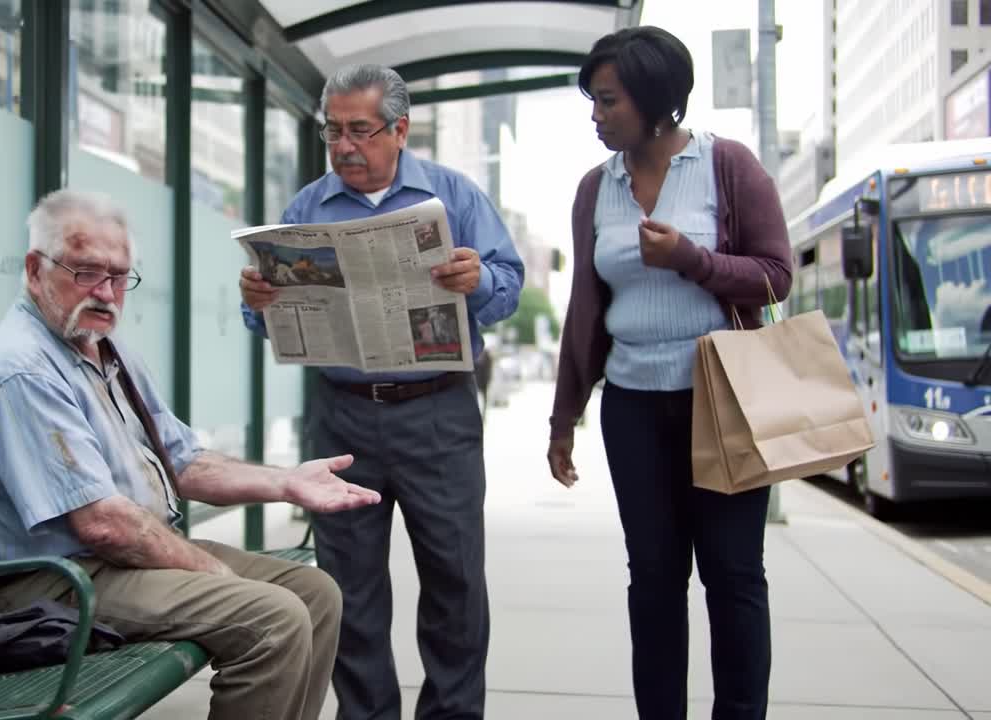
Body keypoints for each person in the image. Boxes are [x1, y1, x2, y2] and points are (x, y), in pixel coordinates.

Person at [0, 189, 383, 720]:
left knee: (316, 593)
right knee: (273, 618)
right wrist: (212, 573)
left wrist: (286, 482)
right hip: (53, 585)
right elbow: (102, 524)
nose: (106, 293)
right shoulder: (21, 368)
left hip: (112, 565)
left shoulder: (102, 348)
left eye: (118, 277)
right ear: (35, 268)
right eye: (86, 273)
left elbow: (183, 461)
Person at [239, 64, 524, 720]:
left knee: (455, 585)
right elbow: (267, 320)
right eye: (331, 131)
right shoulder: (307, 207)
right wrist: (259, 301)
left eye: (359, 131)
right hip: (341, 419)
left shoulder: (453, 196)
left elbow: (508, 283)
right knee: (351, 593)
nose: (343, 147)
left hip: (438, 414)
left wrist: (476, 279)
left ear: (400, 129)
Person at [546, 27, 793, 720]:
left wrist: (693, 258)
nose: (596, 116)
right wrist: (564, 417)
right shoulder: (596, 188)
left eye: (607, 101)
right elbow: (586, 310)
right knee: (652, 581)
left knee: (734, 576)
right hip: (632, 406)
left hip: (723, 401)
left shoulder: (728, 167)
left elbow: (776, 278)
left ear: (655, 101)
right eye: (593, 102)